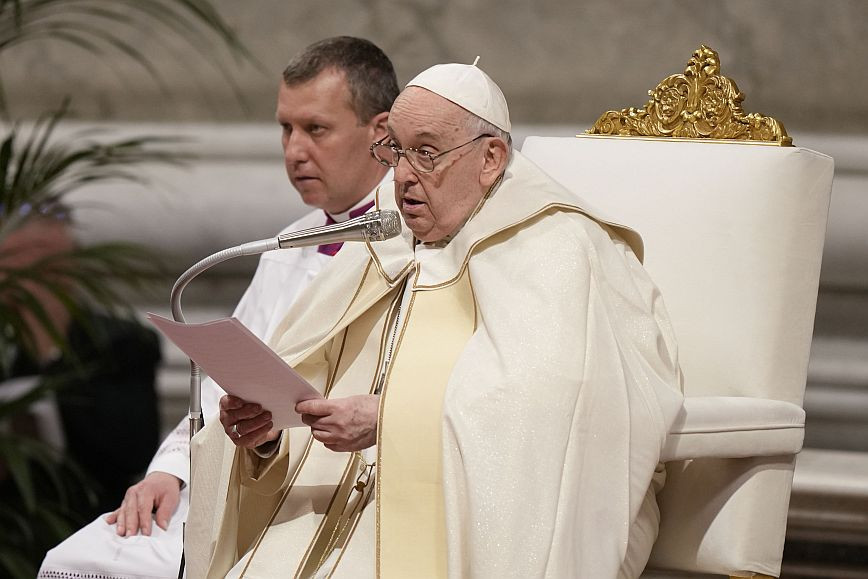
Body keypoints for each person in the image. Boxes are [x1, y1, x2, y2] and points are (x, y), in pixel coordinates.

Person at [185, 62, 684, 578]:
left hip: (458, 525)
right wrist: (271, 435)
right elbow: (317, 381)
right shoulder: (384, 239)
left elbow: (563, 412)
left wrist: (389, 421)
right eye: (395, 151)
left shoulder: (554, 247)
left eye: (426, 153)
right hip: (336, 510)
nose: (402, 175)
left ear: (491, 158)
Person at [38, 36, 398, 579]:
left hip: (346, 485)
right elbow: (224, 381)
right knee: (83, 559)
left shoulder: (412, 245)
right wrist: (170, 472)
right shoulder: (287, 246)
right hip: (252, 470)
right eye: (286, 128)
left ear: (381, 132)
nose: (294, 150)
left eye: (316, 129)